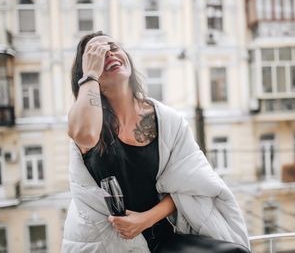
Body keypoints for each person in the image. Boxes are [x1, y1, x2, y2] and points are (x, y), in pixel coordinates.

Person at [62, 31, 250, 253]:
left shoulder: (168, 120)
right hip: (108, 243)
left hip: (160, 238)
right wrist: (90, 75)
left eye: (112, 47)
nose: (108, 54)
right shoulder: (88, 121)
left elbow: (194, 185)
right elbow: (84, 135)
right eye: (96, 54)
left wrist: (145, 219)